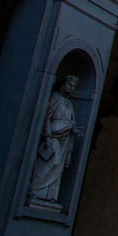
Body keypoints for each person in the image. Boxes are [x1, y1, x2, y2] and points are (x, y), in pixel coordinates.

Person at [27, 75, 80, 205]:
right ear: (63, 84)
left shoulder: (69, 103)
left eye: (74, 86)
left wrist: (73, 129)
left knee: (57, 168)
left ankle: (49, 196)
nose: (72, 88)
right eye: (70, 85)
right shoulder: (55, 98)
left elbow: (71, 120)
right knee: (48, 164)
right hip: (53, 138)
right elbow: (47, 118)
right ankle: (36, 191)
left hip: (64, 141)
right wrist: (48, 136)